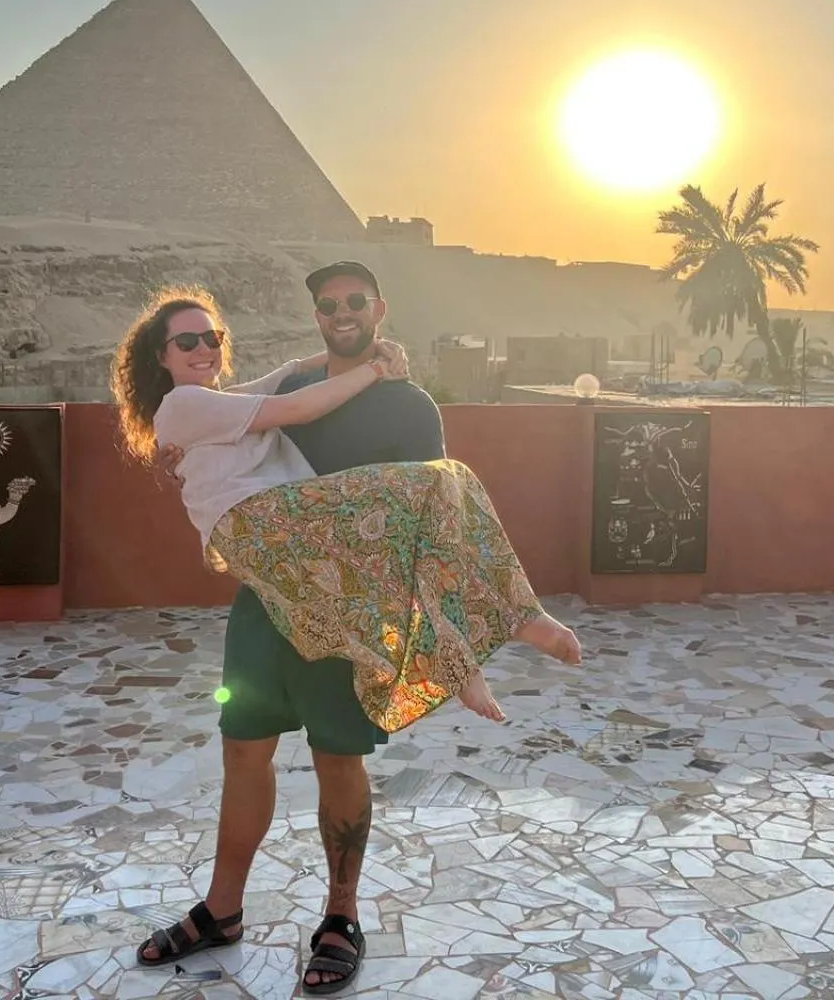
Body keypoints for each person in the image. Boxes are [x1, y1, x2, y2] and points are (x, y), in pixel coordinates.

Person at [115, 262, 580, 992]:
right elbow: (286, 400)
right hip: (267, 596)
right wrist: (352, 372)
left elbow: (424, 533)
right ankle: (222, 909)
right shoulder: (269, 398)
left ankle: (340, 916)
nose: (342, 312)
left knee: (339, 758)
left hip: (346, 603)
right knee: (243, 755)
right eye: (328, 304)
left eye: (355, 301)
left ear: (379, 307)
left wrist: (371, 370)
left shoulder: (407, 405)